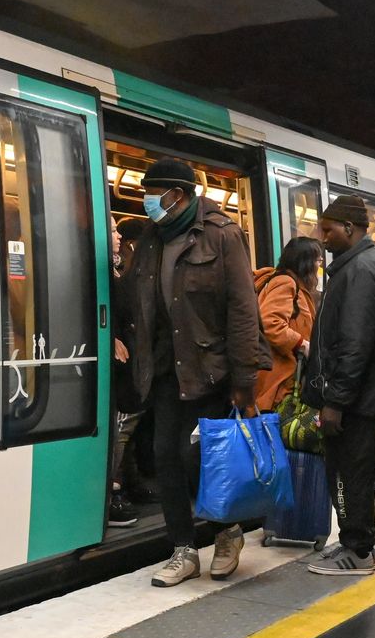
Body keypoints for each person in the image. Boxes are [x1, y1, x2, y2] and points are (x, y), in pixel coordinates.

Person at [111, 157, 262, 587]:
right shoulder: (153, 241)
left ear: (176, 195)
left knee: (200, 457)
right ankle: (183, 550)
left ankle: (226, 532)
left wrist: (244, 380)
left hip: (210, 371)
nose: (146, 203)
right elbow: (133, 300)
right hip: (162, 371)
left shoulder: (221, 236)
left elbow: (242, 311)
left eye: (152, 194)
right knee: (167, 459)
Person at [303, 196, 375, 576]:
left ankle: (359, 551)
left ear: (351, 229)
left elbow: (354, 344)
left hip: (353, 402)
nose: (322, 238)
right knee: (347, 473)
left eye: (328, 230)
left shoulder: (360, 271)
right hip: (354, 398)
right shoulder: (355, 266)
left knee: (348, 475)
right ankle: (353, 539)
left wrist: (335, 402)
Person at [107, 216, 150, 528]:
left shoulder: (116, 269)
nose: (117, 236)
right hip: (122, 361)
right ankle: (114, 489)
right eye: (111, 231)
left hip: (130, 357)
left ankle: (127, 481)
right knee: (123, 424)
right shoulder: (112, 272)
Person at [252, 236, 319, 412]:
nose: (319, 266)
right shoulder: (286, 282)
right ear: (306, 263)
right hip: (276, 382)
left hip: (274, 380)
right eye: (318, 261)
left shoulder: (286, 282)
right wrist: (302, 344)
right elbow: (270, 322)